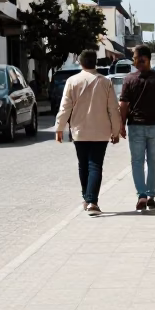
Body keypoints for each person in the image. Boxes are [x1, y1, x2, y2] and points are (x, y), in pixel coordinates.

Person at [54, 48, 121, 216]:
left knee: (83, 165)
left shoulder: (72, 81)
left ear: (81, 62)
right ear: (95, 63)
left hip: (79, 131)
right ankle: (91, 200)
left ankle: (88, 198)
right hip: (101, 132)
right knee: (95, 165)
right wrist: (115, 130)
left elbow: (65, 107)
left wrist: (59, 127)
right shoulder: (105, 82)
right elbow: (113, 108)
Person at [119, 45, 155, 212]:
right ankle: (147, 196)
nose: (137, 62)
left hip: (146, 126)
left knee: (142, 162)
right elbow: (123, 105)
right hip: (147, 126)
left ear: (148, 59)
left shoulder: (133, 79)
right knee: (150, 162)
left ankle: (145, 194)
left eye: (140, 59)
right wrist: (121, 125)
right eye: (135, 59)